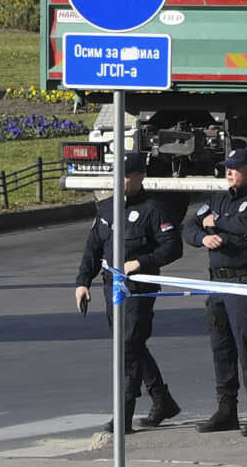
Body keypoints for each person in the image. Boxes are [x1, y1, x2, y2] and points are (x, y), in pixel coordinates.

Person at [73, 152, 184, 431]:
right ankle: (162, 399)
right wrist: (82, 281)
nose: (119, 180)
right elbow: (93, 247)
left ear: (139, 177)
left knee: (129, 347)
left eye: (124, 175)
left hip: (138, 289)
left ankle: (123, 414)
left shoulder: (153, 208)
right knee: (129, 345)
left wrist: (140, 262)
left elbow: (172, 247)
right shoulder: (107, 207)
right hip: (112, 287)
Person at [182, 146, 247, 437]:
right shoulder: (218, 199)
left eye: (235, 168)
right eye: (227, 167)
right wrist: (203, 238)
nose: (229, 172)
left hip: (245, 282)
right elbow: (189, 226)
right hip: (218, 285)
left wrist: (217, 223)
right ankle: (227, 410)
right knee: (221, 348)